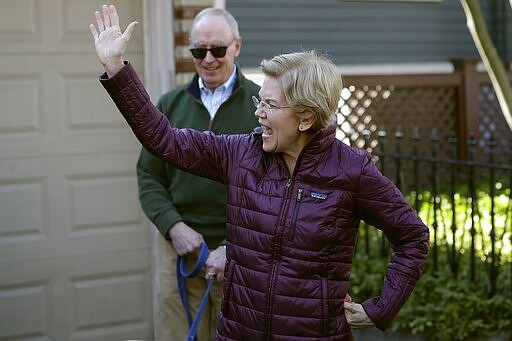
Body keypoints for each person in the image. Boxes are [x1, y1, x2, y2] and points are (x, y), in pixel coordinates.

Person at [90, 5, 430, 340]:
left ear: (306, 118)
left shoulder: (351, 171)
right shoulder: (241, 154)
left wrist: (380, 308)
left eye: (270, 105)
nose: (260, 114)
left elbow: (412, 237)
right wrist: (117, 68)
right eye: (259, 103)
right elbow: (164, 140)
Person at [135, 5, 259, 341]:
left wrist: (234, 246)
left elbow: (274, 191)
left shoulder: (262, 108)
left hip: (242, 255)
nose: (208, 59)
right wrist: (173, 226)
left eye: (217, 49)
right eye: (198, 50)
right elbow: (149, 176)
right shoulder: (169, 105)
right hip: (177, 253)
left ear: (237, 46)